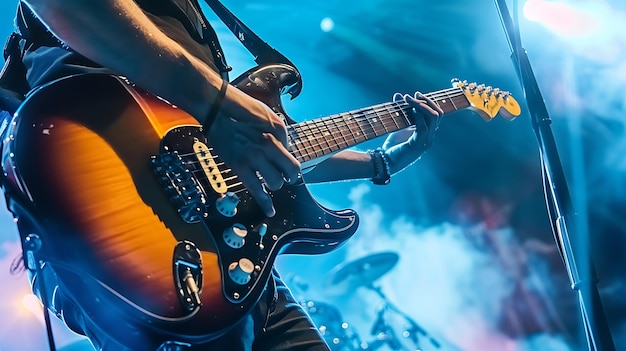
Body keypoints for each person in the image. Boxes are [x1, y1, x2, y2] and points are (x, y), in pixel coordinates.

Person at [0, 1, 442, 350]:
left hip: (229, 264)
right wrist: (217, 103)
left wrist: (379, 163)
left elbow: (253, 155)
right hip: (124, 234)